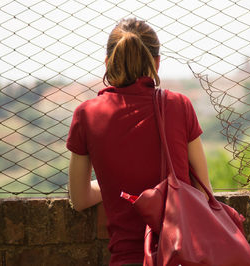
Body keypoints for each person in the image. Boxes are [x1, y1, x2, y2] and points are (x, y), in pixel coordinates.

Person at [66, 18, 212, 266]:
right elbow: (203, 192)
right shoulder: (178, 106)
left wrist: (116, 187)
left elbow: (79, 200)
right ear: (156, 61)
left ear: (108, 61)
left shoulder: (86, 115)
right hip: (181, 257)